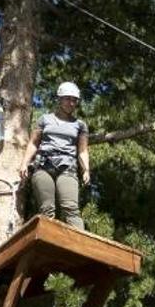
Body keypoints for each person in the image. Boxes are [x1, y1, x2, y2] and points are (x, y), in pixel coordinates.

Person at [26, 81, 90, 229]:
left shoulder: (80, 125)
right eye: (68, 99)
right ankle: (47, 247)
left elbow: (82, 150)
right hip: (43, 166)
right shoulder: (44, 119)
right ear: (59, 99)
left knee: (71, 209)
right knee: (46, 209)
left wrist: (86, 169)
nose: (71, 103)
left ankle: (79, 247)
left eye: (74, 100)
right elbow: (33, 143)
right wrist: (24, 163)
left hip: (68, 168)